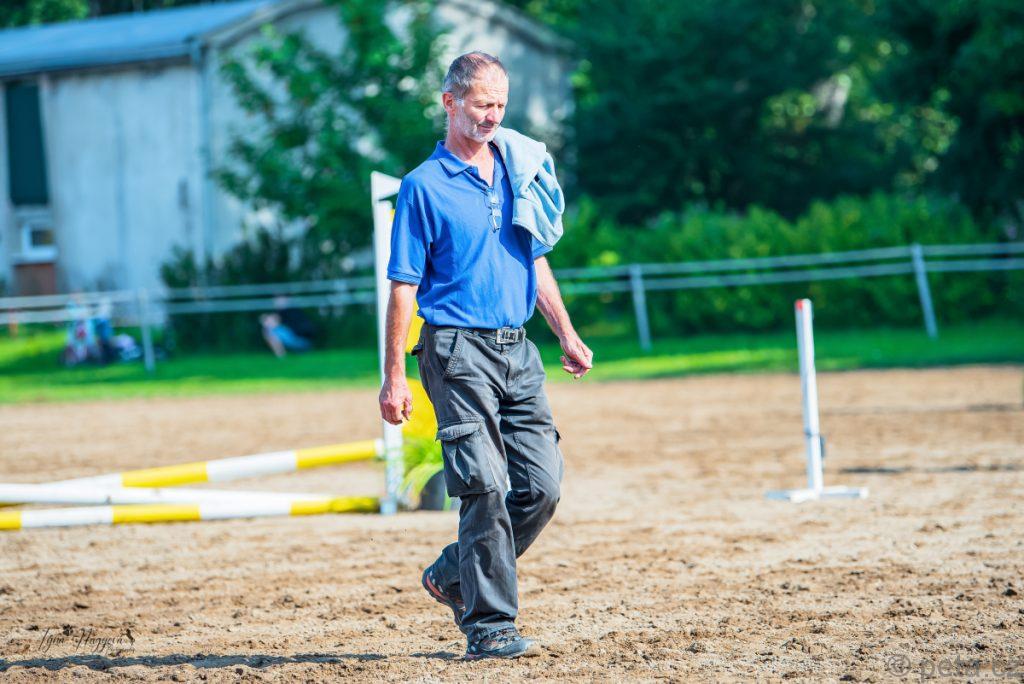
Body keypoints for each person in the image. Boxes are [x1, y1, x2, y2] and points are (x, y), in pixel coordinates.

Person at [378, 52, 593, 661]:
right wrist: (393, 375)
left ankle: (455, 574)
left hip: (517, 350)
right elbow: (403, 286)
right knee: (484, 487)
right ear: (449, 103)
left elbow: (534, 260)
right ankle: (489, 626)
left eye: (500, 104)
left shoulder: (517, 169)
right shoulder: (422, 187)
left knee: (541, 488)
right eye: (481, 104)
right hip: (455, 351)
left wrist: (565, 333)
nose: (493, 116)